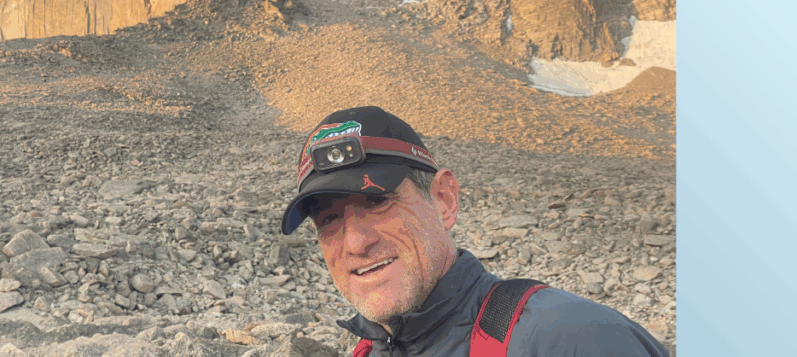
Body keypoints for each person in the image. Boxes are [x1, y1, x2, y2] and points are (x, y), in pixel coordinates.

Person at [280, 106, 670, 357]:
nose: (356, 242)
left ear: (444, 200)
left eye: (378, 202)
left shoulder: (569, 339)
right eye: (328, 220)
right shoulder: (368, 350)